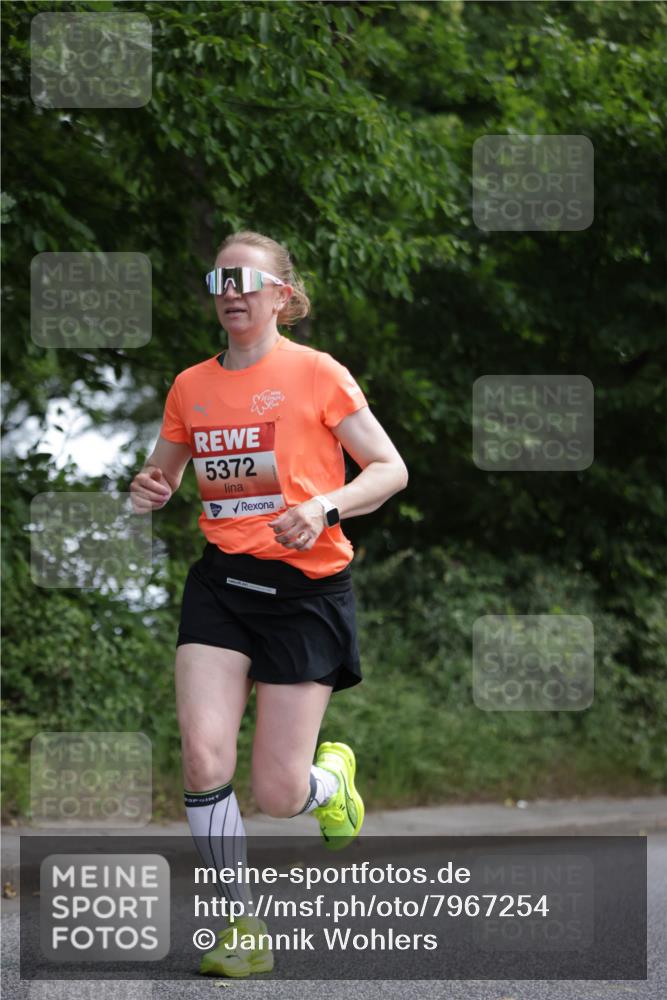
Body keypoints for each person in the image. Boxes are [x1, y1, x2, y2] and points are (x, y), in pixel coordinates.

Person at [130, 230, 408, 977]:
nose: (230, 293)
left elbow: (389, 469)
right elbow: (162, 475)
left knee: (279, 793)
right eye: (219, 280)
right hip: (222, 586)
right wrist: (149, 489)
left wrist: (322, 508)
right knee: (202, 757)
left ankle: (330, 783)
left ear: (281, 296)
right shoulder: (191, 386)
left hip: (304, 592)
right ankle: (240, 928)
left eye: (245, 281)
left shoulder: (317, 373)